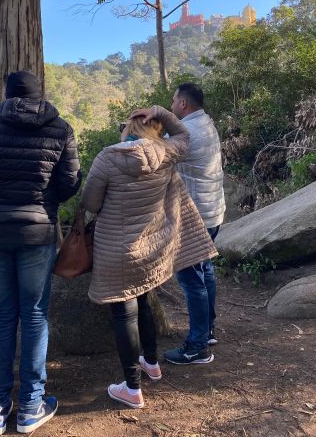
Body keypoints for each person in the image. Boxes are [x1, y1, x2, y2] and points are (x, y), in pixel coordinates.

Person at [0, 70, 81, 436]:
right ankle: (30, 408)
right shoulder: (60, 128)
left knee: (4, 315)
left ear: (7, 94)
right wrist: (46, 201)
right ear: (41, 94)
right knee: (35, 315)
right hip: (37, 231)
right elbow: (70, 181)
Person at [80, 106, 217, 410]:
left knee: (123, 314)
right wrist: (159, 111)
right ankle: (151, 363)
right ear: (156, 128)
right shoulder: (168, 151)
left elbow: (90, 201)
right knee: (143, 300)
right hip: (151, 248)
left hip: (117, 249)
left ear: (130, 126)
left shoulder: (108, 157)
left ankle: (131, 388)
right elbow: (183, 132)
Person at [163, 82, 226, 366]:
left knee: (191, 280)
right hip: (214, 212)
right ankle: (208, 330)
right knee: (205, 271)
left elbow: (156, 155)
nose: (172, 104)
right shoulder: (206, 123)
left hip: (195, 216)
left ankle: (197, 346)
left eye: (174, 100)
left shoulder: (188, 132)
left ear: (183, 104)